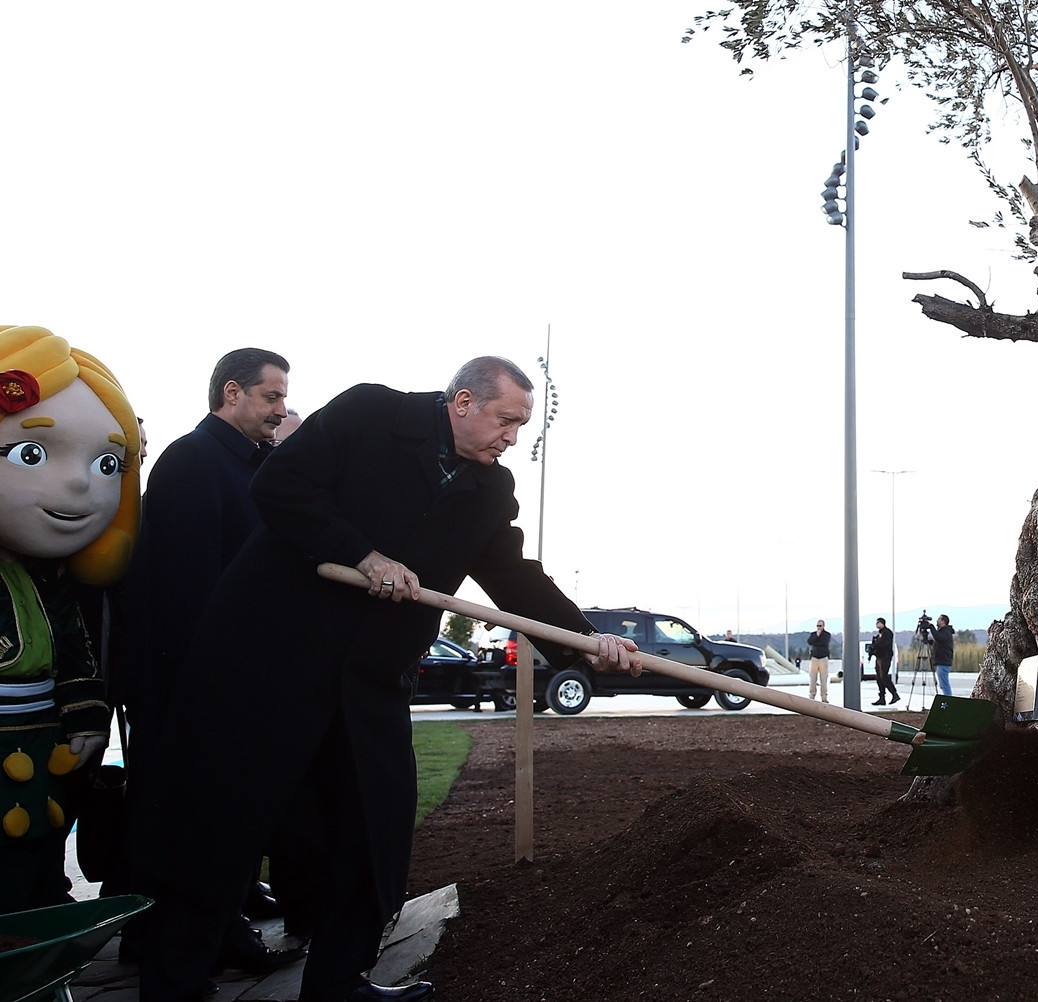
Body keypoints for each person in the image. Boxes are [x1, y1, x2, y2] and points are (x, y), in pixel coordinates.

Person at [134, 356, 642, 1002]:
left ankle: (338, 982)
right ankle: (173, 984)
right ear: (464, 403)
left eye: (521, 426)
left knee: (374, 829)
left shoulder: (488, 490)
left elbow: (516, 580)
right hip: (269, 663)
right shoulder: (370, 414)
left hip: (369, 680)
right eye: (506, 421)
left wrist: (588, 644)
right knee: (223, 820)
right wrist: (363, 555)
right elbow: (279, 487)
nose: (513, 437)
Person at [115, 348, 305, 976]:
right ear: (231, 393)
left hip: (227, 677)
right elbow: (185, 590)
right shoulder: (192, 462)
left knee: (210, 818)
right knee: (184, 820)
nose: (281, 410)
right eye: (272, 397)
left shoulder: (252, 465)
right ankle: (188, 943)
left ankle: (197, 932)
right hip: (190, 682)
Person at [0, 326, 139, 913]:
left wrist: (84, 713)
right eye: (31, 453)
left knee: (36, 846)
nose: (81, 483)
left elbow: (73, 647)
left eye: (107, 464)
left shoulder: (52, 581)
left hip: (39, 741)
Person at [870, 617, 898, 705]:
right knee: (879, 678)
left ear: (882, 623)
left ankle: (894, 694)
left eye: (878, 623)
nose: (877, 624)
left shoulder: (887, 633)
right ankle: (882, 698)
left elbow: (884, 644)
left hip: (885, 657)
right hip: (879, 656)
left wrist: (875, 645)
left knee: (884, 677)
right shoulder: (880, 633)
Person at [805, 620, 832, 701]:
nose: (819, 627)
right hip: (814, 658)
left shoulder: (827, 635)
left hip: (823, 658)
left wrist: (816, 641)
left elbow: (824, 643)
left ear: (823, 626)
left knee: (823, 679)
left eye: (820, 626)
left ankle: (824, 697)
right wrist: (816, 636)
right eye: (817, 626)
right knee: (813, 678)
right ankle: (812, 696)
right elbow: (809, 642)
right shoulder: (813, 634)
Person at [931, 613, 956, 696]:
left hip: (944, 662)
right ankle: (947, 698)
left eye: (939, 619)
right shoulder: (943, 631)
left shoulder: (946, 631)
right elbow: (940, 642)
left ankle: (948, 699)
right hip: (941, 661)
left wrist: (931, 627)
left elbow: (939, 638)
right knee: (943, 684)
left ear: (943, 621)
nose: (937, 621)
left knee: (944, 684)